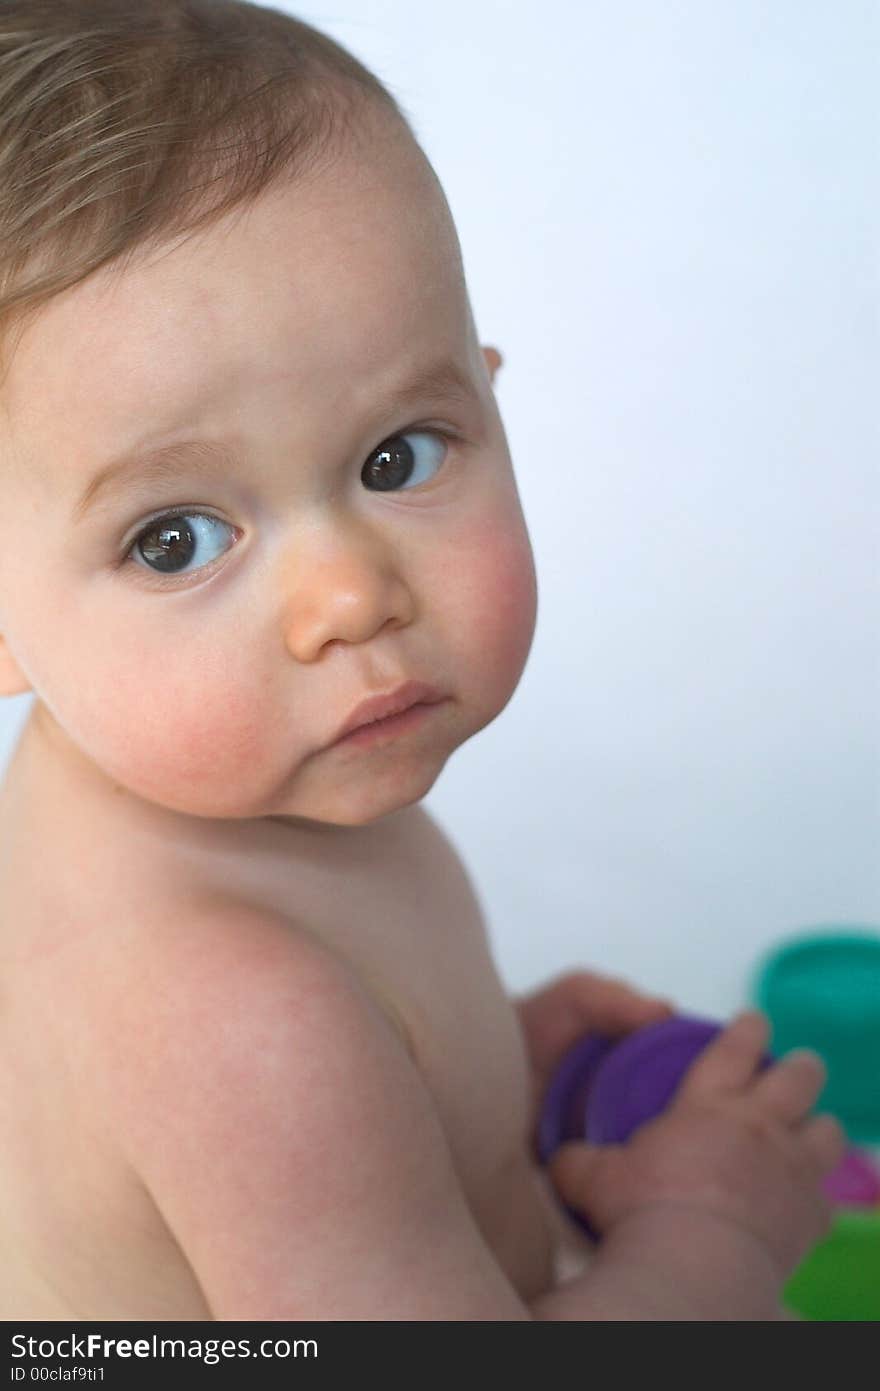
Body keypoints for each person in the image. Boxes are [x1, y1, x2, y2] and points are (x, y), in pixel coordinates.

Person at [0, 0, 844, 1321]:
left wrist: (477, 1061)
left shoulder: (221, 811)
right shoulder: (230, 1018)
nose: (348, 597)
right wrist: (712, 1233)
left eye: (397, 457)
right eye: (175, 539)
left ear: (491, 400)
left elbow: (288, 1160)